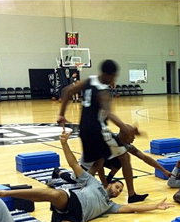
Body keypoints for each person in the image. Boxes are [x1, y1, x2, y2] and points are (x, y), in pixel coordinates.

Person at [0, 130, 174, 222]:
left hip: (78, 215)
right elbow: (74, 165)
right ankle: (5, 193)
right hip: (72, 198)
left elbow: (133, 208)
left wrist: (155, 206)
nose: (117, 190)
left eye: (119, 190)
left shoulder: (110, 206)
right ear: (108, 184)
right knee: (53, 194)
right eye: (117, 186)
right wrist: (64, 143)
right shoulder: (94, 182)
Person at [56, 59, 146, 202]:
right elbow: (108, 113)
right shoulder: (102, 91)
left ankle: (82, 195)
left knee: (97, 163)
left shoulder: (88, 81)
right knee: (125, 157)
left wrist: (61, 114)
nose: (114, 80)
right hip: (98, 131)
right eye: (113, 76)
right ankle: (132, 195)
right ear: (106, 74)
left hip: (84, 130)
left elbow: (67, 91)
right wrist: (126, 129)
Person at [53, 142, 172, 186]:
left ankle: (108, 180)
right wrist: (103, 184)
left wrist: (163, 170)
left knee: (121, 160)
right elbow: (99, 166)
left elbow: (145, 158)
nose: (133, 140)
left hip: (102, 161)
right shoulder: (109, 144)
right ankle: (59, 172)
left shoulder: (126, 145)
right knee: (77, 181)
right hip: (89, 162)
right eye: (131, 137)